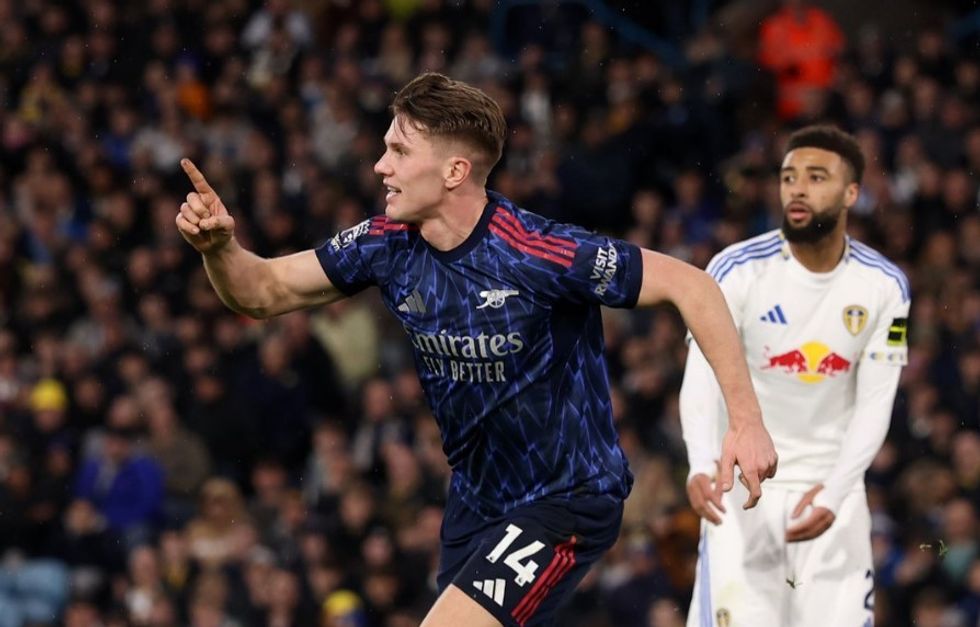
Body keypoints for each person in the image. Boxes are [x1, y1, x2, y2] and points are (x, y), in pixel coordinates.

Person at [176, 72, 777, 627]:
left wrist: (746, 422)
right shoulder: (385, 244)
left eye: (399, 151)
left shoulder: (537, 252)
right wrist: (219, 250)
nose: (380, 166)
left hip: (565, 499)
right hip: (477, 505)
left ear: (455, 171)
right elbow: (263, 291)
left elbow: (693, 286)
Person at [680, 125, 910, 626]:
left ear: (852, 193)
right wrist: (699, 462)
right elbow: (701, 375)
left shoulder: (885, 286)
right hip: (741, 490)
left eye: (816, 177)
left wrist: (837, 490)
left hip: (832, 493)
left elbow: (876, 400)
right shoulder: (735, 269)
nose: (797, 189)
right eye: (788, 177)